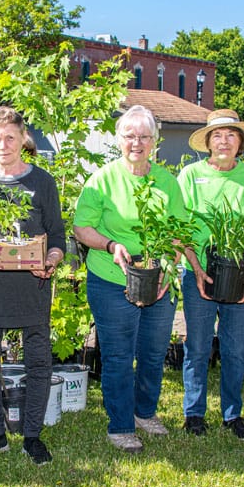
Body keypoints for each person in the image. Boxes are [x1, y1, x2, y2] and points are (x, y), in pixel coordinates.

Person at [73, 105, 187, 453]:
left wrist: (169, 264)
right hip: (110, 278)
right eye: (129, 135)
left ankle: (144, 412)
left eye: (144, 136)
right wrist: (111, 245)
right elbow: (81, 228)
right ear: (118, 139)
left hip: (158, 279)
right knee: (119, 355)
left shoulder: (166, 182)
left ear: (154, 141)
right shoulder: (103, 179)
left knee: (153, 353)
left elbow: (178, 232)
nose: (136, 142)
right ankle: (120, 425)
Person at [0, 107, 65, 465]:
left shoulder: (42, 183)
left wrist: (50, 261)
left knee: (38, 362)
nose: (2, 145)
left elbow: (58, 237)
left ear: (23, 139)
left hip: (31, 288)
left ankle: (32, 436)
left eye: (9, 138)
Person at [177, 109, 244, 440]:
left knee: (234, 349)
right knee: (198, 347)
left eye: (231, 135)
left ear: (240, 142)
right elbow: (180, 227)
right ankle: (194, 413)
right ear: (208, 142)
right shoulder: (190, 176)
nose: (224, 141)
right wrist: (196, 267)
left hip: (239, 277)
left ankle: (233, 414)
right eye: (217, 135)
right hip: (198, 274)